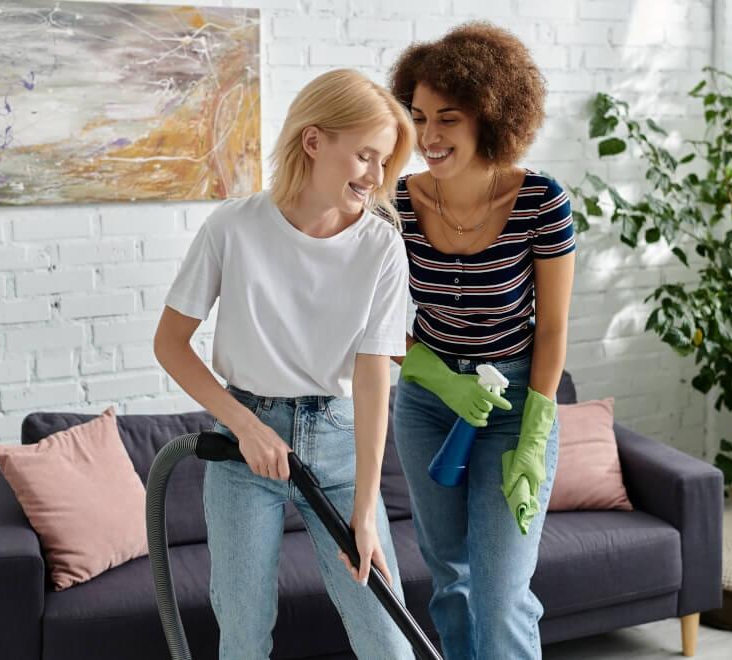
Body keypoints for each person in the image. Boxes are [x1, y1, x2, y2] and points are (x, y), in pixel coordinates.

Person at [153, 69, 416, 659]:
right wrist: (246, 427)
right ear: (315, 140)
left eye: (386, 162)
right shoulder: (234, 226)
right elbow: (171, 343)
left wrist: (366, 512)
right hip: (244, 449)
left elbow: (375, 376)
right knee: (244, 638)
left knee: (387, 643)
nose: (376, 177)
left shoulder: (380, 246)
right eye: (366, 156)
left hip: (341, 450)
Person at [387, 22, 577, 659]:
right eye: (417, 117)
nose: (429, 137)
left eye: (448, 117)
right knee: (450, 582)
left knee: (500, 596)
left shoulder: (541, 202)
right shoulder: (396, 206)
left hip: (514, 401)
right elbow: (378, 325)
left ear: (491, 116)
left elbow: (552, 330)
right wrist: (441, 379)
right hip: (426, 401)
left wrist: (534, 434)